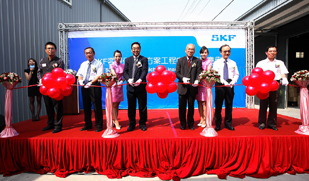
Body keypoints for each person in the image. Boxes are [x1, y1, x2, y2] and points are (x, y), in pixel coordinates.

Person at [256, 46, 289, 130]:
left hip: (275, 85)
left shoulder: (279, 62)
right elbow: (257, 74)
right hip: (264, 85)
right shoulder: (261, 63)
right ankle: (262, 123)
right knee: (263, 104)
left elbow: (283, 72)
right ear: (266, 53)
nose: (272, 53)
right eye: (270, 51)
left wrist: (284, 78)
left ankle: (272, 123)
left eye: (274, 51)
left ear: (276, 53)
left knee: (273, 105)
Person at [37, 42, 64, 133]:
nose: (50, 50)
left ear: (55, 50)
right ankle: (50, 123)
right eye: (48, 48)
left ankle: (58, 125)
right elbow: (39, 72)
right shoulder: (42, 60)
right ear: (45, 50)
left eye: (52, 48)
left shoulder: (59, 61)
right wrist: (40, 80)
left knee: (58, 106)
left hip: (56, 88)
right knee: (48, 106)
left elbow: (61, 73)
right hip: (45, 88)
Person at [176, 43, 202, 130]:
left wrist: (197, 80)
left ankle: (191, 123)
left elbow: (199, 72)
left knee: (191, 107)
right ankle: (183, 123)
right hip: (182, 88)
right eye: (189, 49)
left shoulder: (197, 61)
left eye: (192, 49)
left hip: (192, 88)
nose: (190, 51)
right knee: (182, 107)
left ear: (194, 51)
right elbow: (177, 73)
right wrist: (182, 78)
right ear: (185, 50)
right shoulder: (180, 60)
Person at [77, 47, 104, 132]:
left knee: (97, 106)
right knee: (86, 106)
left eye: (90, 53)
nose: (88, 54)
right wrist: (80, 81)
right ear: (85, 54)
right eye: (86, 53)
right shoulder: (83, 64)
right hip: (84, 86)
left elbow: (99, 75)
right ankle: (88, 124)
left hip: (94, 86)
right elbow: (80, 74)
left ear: (94, 53)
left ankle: (99, 125)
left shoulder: (98, 63)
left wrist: (91, 82)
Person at [213, 44, 239, 131]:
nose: (227, 53)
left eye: (228, 51)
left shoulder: (233, 62)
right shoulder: (216, 63)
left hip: (230, 85)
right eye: (225, 51)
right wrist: (224, 82)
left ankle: (228, 123)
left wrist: (232, 82)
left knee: (229, 105)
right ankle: (218, 124)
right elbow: (215, 74)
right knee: (218, 105)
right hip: (220, 85)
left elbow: (236, 74)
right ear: (221, 52)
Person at [123, 42, 148, 131]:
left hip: (140, 87)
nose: (135, 50)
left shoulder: (144, 59)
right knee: (131, 107)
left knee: (142, 106)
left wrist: (140, 80)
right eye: (134, 48)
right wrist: (128, 79)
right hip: (130, 87)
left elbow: (145, 71)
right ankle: (132, 123)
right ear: (131, 50)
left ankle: (142, 123)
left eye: (137, 48)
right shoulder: (127, 60)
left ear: (140, 49)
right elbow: (125, 72)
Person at [196, 46, 213, 128]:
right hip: (198, 84)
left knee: (205, 103)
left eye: (205, 52)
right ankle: (201, 119)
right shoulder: (197, 61)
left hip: (205, 84)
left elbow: (208, 71)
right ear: (200, 53)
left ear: (207, 53)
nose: (204, 54)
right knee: (199, 102)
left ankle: (205, 120)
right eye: (202, 52)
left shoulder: (209, 61)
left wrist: (204, 75)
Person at [110, 50, 125, 130]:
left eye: (119, 56)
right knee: (114, 104)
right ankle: (116, 121)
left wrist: (121, 81)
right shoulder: (112, 65)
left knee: (117, 104)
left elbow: (126, 75)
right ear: (113, 57)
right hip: (114, 85)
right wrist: (116, 80)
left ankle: (114, 119)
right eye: (116, 56)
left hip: (120, 85)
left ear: (121, 57)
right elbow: (113, 73)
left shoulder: (123, 65)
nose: (117, 58)